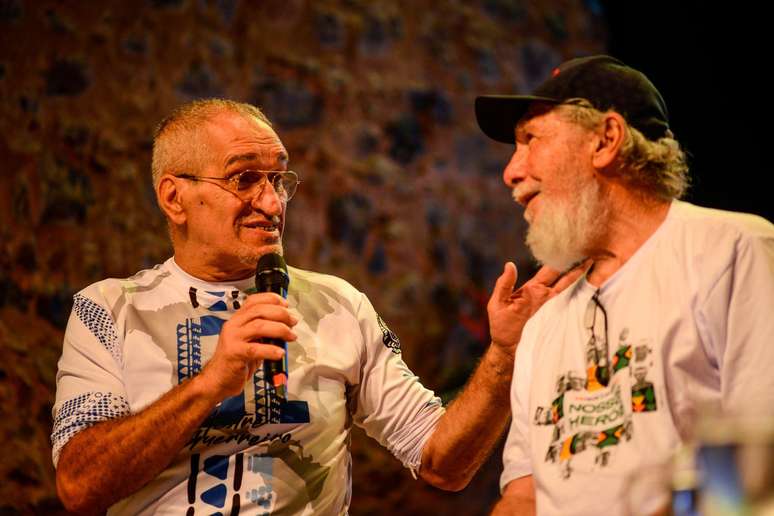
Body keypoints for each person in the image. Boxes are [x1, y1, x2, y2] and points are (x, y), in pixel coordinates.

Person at [51, 99, 584, 514]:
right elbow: (79, 486)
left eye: (278, 180)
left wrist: (504, 354)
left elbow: (443, 463)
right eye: (244, 179)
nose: (271, 202)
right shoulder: (108, 310)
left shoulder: (337, 306)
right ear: (175, 198)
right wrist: (210, 383)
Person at [474, 55, 774, 514]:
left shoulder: (731, 252)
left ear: (606, 140)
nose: (510, 172)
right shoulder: (543, 326)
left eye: (530, 139)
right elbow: (524, 495)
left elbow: (756, 466)